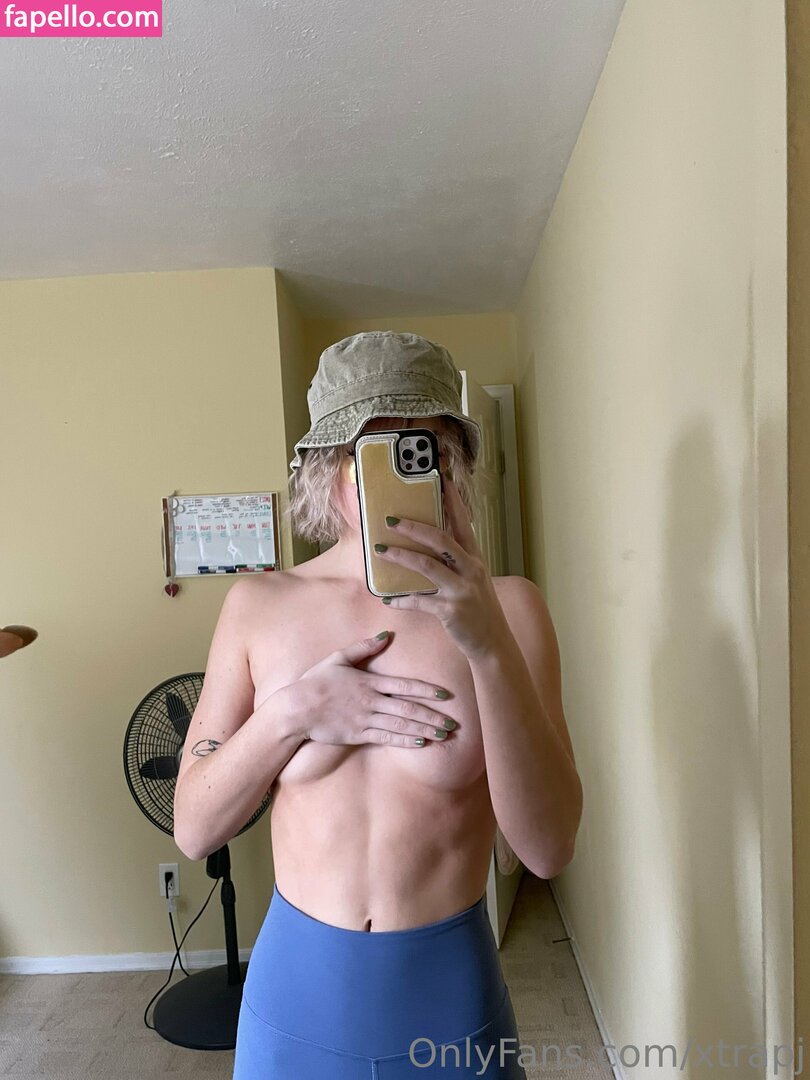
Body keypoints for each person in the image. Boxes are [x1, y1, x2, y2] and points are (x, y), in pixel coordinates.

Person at [173, 331, 583, 1078]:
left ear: (451, 467)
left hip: (449, 1001)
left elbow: (549, 850)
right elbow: (195, 829)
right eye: (370, 454)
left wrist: (487, 645)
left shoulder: (513, 610)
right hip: (294, 1004)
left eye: (420, 452)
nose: (394, 476)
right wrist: (292, 715)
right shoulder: (259, 605)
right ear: (328, 469)